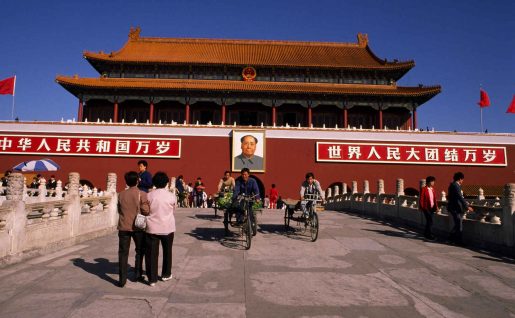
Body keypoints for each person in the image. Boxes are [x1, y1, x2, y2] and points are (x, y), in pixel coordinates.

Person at [117, 171, 150, 287]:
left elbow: (119, 210)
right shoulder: (142, 194)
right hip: (138, 227)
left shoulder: (121, 194)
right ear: (137, 181)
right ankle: (137, 274)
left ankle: (122, 279)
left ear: (126, 181)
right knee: (140, 250)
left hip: (123, 226)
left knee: (123, 253)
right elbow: (146, 211)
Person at [145, 172, 176, 286]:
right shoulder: (171, 196)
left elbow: (145, 210)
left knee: (151, 253)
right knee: (167, 252)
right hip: (167, 227)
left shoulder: (149, 195)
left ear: (154, 183)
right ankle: (166, 274)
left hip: (152, 227)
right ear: (166, 183)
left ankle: (152, 279)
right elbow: (173, 210)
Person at [447, 172, 473, 245]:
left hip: (453, 207)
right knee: (459, 224)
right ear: (460, 179)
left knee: (457, 224)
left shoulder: (452, 185)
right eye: (462, 179)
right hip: (455, 208)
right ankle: (458, 241)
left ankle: (451, 238)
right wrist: (467, 206)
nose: (462, 181)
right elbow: (459, 197)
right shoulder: (456, 185)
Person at [419, 176, 438, 240]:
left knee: (429, 221)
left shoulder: (432, 189)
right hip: (426, 207)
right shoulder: (424, 189)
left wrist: (436, 207)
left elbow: (434, 199)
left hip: (432, 207)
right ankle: (429, 234)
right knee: (430, 221)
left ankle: (426, 233)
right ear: (429, 182)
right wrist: (421, 207)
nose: (433, 183)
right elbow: (421, 199)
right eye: (432, 181)